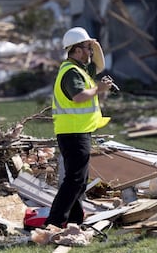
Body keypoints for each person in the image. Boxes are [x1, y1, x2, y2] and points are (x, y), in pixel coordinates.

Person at [44, 26, 112, 228]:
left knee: (79, 180)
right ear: (76, 49)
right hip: (73, 133)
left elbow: (99, 65)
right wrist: (99, 89)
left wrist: (95, 45)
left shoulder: (80, 69)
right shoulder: (71, 73)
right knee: (74, 180)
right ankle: (54, 222)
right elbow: (79, 96)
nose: (90, 52)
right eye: (86, 48)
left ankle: (74, 220)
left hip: (77, 131)